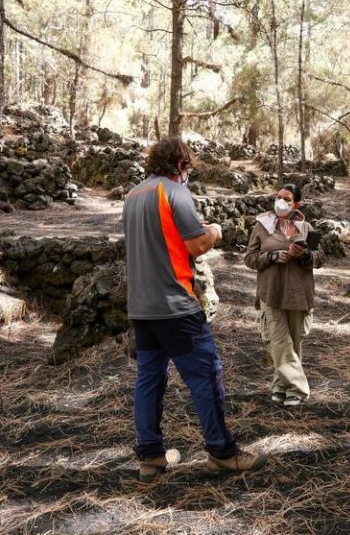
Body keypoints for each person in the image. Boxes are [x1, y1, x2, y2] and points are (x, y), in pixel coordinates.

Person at [123, 136, 266, 480]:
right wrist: (215, 231)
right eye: (189, 165)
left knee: (149, 378)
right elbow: (196, 244)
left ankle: (151, 456)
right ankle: (222, 452)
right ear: (182, 164)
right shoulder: (175, 192)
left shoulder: (132, 196)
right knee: (206, 375)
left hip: (141, 307)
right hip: (176, 306)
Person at [244, 183, 325, 407]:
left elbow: (319, 258)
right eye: (278, 197)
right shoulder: (262, 226)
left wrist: (305, 255)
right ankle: (298, 387)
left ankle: (281, 385)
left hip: (299, 293)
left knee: (294, 343)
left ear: (296, 204)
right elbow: (249, 259)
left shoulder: (306, 227)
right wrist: (271, 257)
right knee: (279, 341)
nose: (281, 201)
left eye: (287, 199)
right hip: (271, 292)